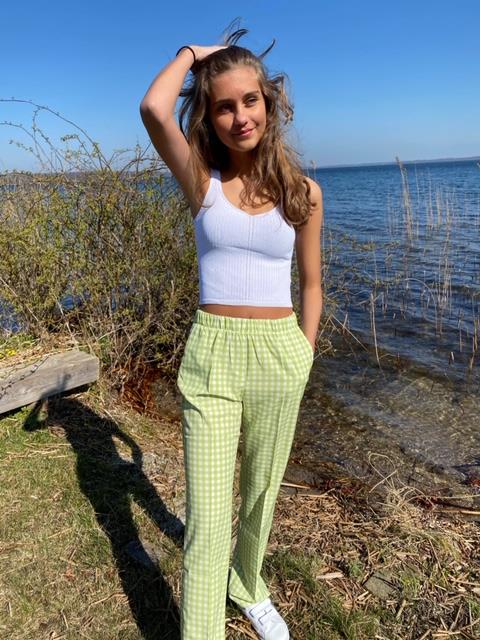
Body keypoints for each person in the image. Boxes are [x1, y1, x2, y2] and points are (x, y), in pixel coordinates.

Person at [139, 26, 323, 640]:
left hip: (280, 354)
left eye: (250, 100)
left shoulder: (302, 192)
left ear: (269, 104)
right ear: (209, 116)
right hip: (212, 356)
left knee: (261, 493)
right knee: (209, 518)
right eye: (224, 106)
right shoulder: (202, 181)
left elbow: (312, 284)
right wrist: (195, 54)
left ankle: (247, 584)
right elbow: (153, 108)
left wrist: (303, 352)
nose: (240, 116)